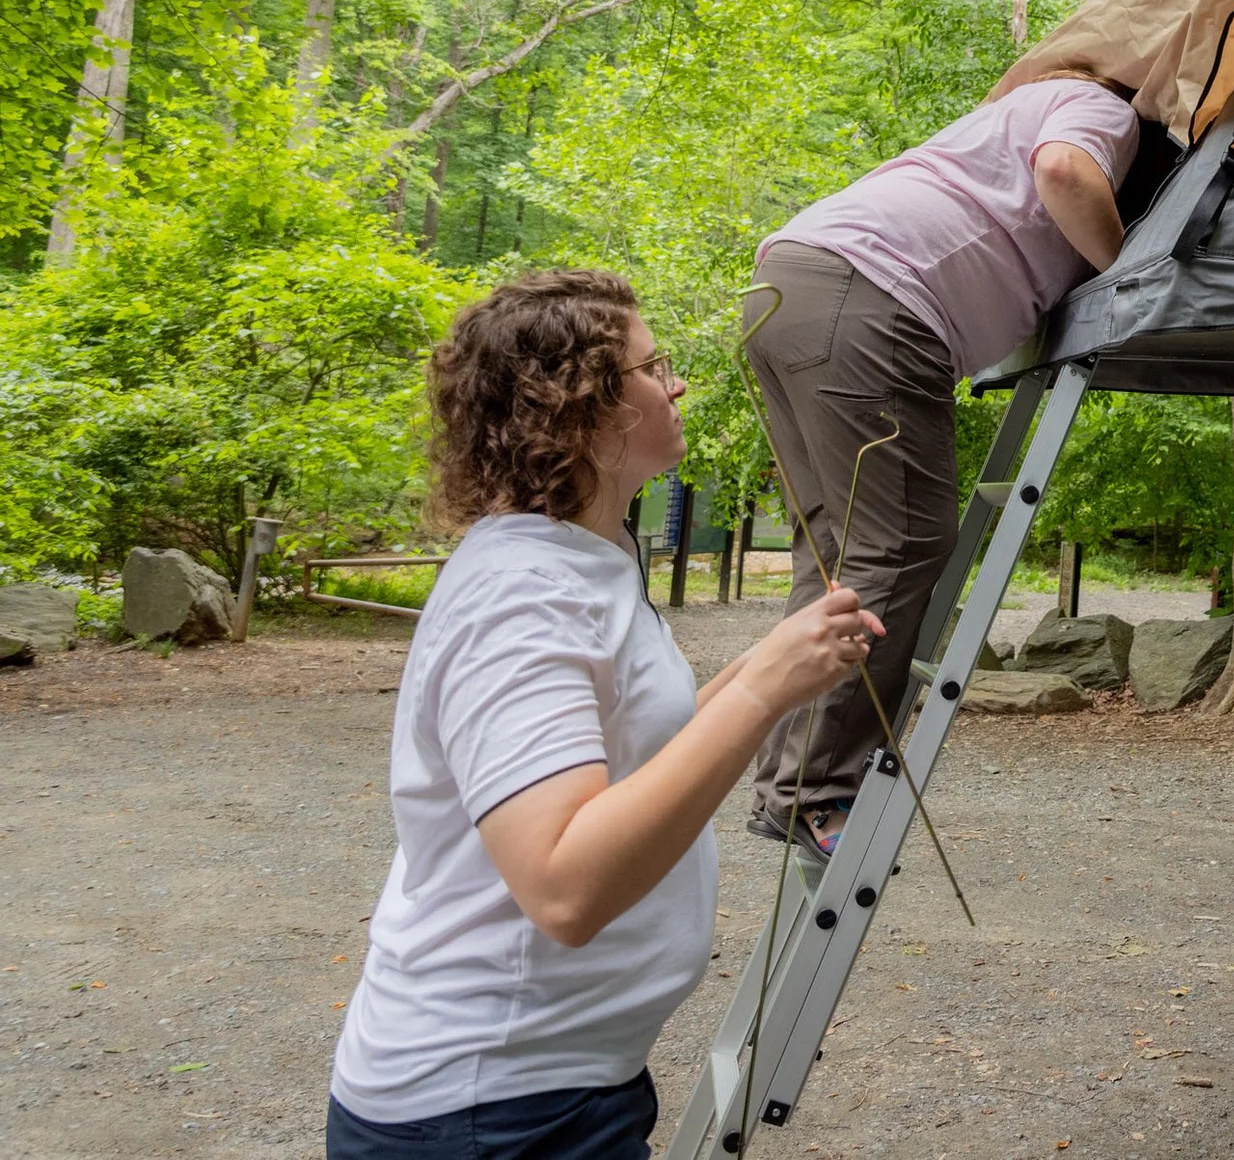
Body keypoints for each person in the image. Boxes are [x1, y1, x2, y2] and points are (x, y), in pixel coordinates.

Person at [328, 269, 884, 1160]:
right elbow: (563, 884)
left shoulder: (583, 557)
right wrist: (757, 693)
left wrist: (770, 670)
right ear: (582, 409)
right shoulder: (521, 597)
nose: (678, 383)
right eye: (654, 366)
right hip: (488, 1114)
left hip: (558, 1088)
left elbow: (629, 752)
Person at [745, 69, 1138, 851]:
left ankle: (791, 782)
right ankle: (815, 791)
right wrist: (1129, 277)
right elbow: (1063, 173)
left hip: (791, 280)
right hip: (872, 299)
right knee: (902, 545)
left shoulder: (1012, 110)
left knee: (834, 554)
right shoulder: (1103, 107)